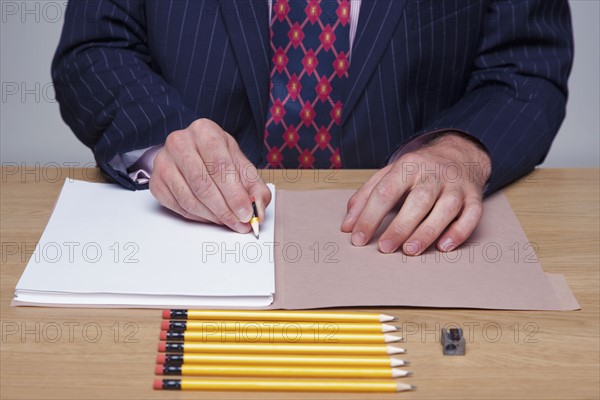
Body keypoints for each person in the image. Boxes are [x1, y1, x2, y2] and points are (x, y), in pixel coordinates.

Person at [51, 0, 573, 255]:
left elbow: (525, 65)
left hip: (405, 249)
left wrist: (459, 151)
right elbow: (96, 48)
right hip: (192, 250)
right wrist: (164, 142)